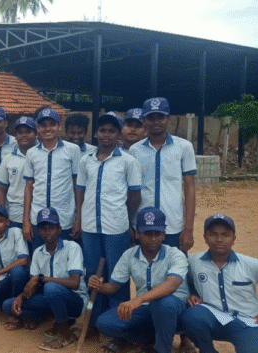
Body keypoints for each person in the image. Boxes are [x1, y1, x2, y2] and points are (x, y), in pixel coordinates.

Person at [75, 112, 142, 336]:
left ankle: (118, 326)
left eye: (112, 130)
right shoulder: (86, 160)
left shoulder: (128, 161)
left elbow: (134, 196)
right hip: (90, 227)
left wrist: (128, 220)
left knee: (118, 276)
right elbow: (81, 191)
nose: (106, 135)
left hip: (117, 228)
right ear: (96, 133)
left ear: (119, 133)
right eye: (102, 130)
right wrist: (80, 218)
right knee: (92, 274)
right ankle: (94, 322)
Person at [89, 207, 189, 353]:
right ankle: (147, 338)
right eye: (148, 233)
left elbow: (171, 285)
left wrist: (138, 300)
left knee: (163, 304)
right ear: (137, 234)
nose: (153, 238)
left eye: (157, 233)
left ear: (164, 234)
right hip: (146, 308)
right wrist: (98, 286)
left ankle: (162, 349)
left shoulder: (175, 254)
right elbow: (113, 287)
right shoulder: (129, 255)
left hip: (174, 310)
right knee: (104, 323)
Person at [2, 207, 87, 351]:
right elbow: (34, 285)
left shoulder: (72, 247)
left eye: (51, 227)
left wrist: (41, 278)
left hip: (76, 302)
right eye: (43, 228)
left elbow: (74, 283)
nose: (47, 232)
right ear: (38, 230)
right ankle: (53, 319)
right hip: (51, 299)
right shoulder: (38, 252)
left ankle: (64, 333)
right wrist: (22, 297)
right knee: (8, 305)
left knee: (50, 287)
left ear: (59, 229)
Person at [183, 213, 258, 353]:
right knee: (192, 316)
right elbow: (184, 281)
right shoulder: (193, 262)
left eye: (225, 234)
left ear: (233, 239)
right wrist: (192, 293)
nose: (219, 239)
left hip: (248, 322)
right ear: (205, 237)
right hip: (214, 318)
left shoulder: (250, 264)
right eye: (213, 234)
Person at [129, 97, 197, 252]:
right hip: (142, 223)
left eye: (160, 117)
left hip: (172, 224)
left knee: (175, 270)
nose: (156, 122)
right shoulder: (135, 150)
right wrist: (129, 223)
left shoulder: (184, 147)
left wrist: (188, 229)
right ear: (144, 121)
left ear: (168, 119)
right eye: (151, 118)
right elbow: (131, 190)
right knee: (144, 269)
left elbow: (189, 188)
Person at [22, 108, 82, 251]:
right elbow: (28, 186)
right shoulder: (32, 153)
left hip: (64, 218)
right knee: (39, 257)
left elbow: (77, 186)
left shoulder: (72, 150)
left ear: (59, 126)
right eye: (43, 125)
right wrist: (26, 220)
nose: (48, 128)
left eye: (52, 124)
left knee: (64, 259)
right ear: (38, 128)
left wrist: (79, 218)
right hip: (38, 216)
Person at [0, 116, 38, 230]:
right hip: (15, 215)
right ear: (16, 136)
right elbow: (1, 189)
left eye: (28, 131)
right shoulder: (8, 159)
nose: (24, 135)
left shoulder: (42, 157)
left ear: (36, 134)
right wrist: (1, 217)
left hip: (39, 214)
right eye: (20, 132)